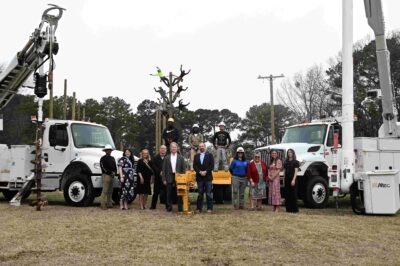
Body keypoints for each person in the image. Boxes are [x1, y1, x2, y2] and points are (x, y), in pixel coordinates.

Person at [162, 142, 186, 212]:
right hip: (169, 177)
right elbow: (164, 169)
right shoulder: (166, 158)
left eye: (175, 147)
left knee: (179, 193)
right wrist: (164, 179)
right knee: (168, 193)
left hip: (179, 177)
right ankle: (169, 207)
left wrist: (183, 179)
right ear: (170, 148)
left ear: (177, 148)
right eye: (172, 147)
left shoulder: (181, 158)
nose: (173, 148)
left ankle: (180, 208)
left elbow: (183, 169)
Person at [193, 143, 214, 213]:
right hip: (199, 178)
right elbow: (194, 166)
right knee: (200, 193)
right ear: (199, 147)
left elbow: (212, 166)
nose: (201, 147)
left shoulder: (210, 155)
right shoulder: (196, 156)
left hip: (208, 177)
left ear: (205, 147)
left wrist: (206, 171)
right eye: (200, 146)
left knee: (208, 193)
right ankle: (199, 208)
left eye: (202, 146)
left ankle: (209, 208)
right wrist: (199, 172)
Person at [99, 144, 117, 210]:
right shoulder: (102, 158)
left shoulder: (112, 158)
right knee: (105, 190)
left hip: (112, 175)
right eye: (108, 150)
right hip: (106, 175)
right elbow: (103, 167)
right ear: (105, 151)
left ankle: (109, 203)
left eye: (110, 150)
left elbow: (115, 166)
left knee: (110, 190)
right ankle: (102, 204)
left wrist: (115, 172)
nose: (109, 151)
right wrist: (110, 172)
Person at [150, 145, 167, 209]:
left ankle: (167, 206)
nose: (163, 150)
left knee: (166, 192)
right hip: (157, 177)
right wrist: (159, 172)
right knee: (155, 193)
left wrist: (164, 172)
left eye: (164, 149)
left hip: (165, 178)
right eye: (162, 148)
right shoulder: (155, 157)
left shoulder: (168, 157)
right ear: (159, 150)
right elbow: (153, 166)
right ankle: (153, 206)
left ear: (166, 150)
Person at [283, 149, 300, 213]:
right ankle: (288, 209)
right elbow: (284, 171)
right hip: (287, 179)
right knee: (287, 194)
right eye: (288, 152)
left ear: (293, 153)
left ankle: (294, 210)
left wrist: (293, 180)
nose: (289, 153)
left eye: (290, 152)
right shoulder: (286, 162)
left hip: (292, 179)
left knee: (293, 194)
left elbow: (296, 172)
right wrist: (284, 178)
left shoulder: (296, 162)